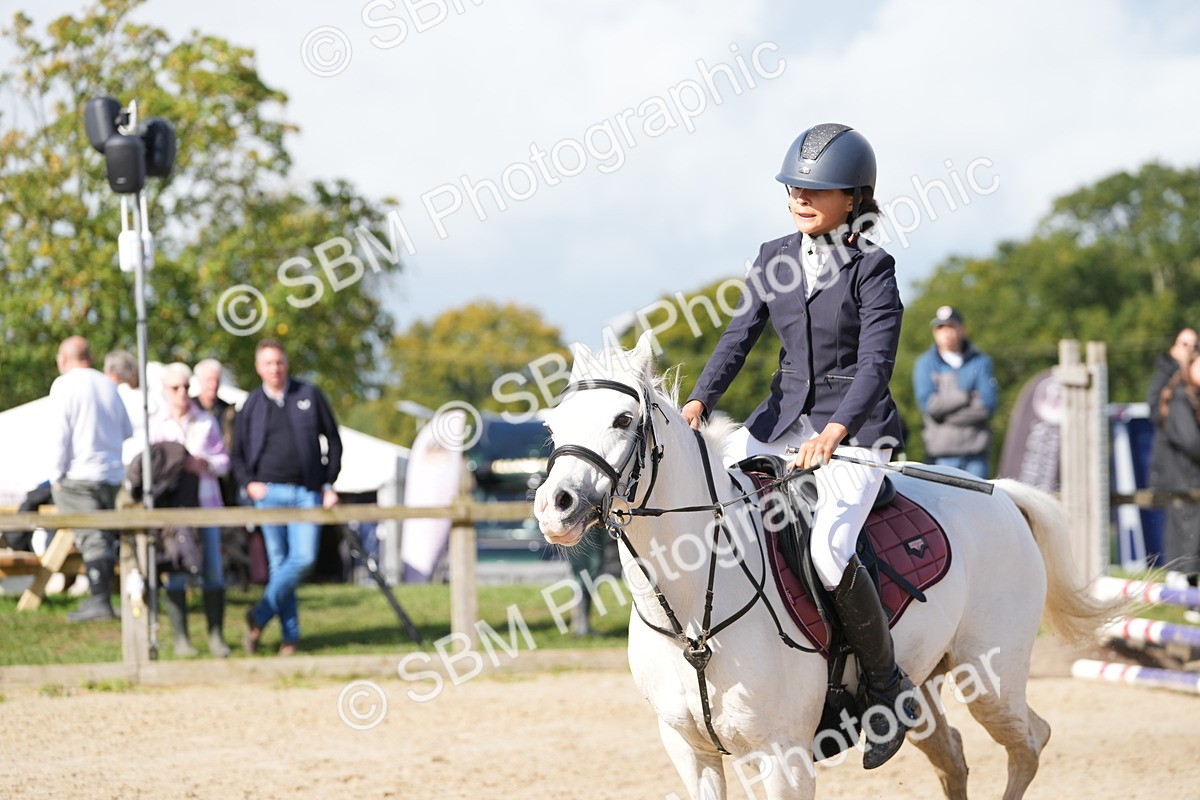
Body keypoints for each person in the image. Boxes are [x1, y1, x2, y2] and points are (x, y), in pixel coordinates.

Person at [680, 123, 914, 769]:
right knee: (711, 510)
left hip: (856, 429)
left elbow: (876, 364)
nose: (800, 198)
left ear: (854, 198)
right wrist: (699, 401)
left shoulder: (873, 268)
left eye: (816, 189)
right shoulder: (772, 256)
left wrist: (836, 433)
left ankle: (886, 686)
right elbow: (738, 338)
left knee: (829, 551)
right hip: (779, 421)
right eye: (793, 188)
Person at [231, 339, 342, 656]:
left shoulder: (309, 394)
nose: (275, 368)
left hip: (307, 492)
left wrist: (328, 482)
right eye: (268, 363)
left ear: (286, 363)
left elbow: (333, 440)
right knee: (280, 564)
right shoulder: (251, 404)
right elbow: (236, 453)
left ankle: (259, 615)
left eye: (279, 362)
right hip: (269, 494)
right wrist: (249, 484)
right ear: (258, 367)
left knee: (304, 559)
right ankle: (290, 637)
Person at [147, 362, 232, 657]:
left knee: (213, 571)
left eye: (185, 386)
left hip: (206, 505)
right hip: (174, 510)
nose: (182, 392)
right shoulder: (155, 425)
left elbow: (225, 462)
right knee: (177, 570)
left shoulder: (206, 422)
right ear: (165, 391)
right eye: (175, 387)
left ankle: (216, 638)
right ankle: (181, 640)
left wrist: (205, 464)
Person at [49, 336, 133, 622]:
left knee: (92, 539)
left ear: (64, 358)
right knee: (104, 538)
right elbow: (127, 430)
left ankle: (100, 601)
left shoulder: (64, 385)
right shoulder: (108, 384)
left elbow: (59, 436)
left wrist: (55, 476)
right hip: (112, 476)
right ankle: (101, 598)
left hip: (79, 476)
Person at [911, 306, 998, 479]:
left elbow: (986, 406)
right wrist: (966, 396)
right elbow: (930, 406)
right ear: (934, 332)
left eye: (951, 326)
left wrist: (946, 416)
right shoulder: (925, 363)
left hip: (976, 457)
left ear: (963, 328)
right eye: (940, 327)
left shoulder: (981, 362)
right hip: (940, 457)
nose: (946, 332)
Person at [1150, 350, 1200, 622]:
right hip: (1186, 482)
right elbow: (1192, 443)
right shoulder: (1180, 399)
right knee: (1191, 543)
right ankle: (1192, 604)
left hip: (1192, 480)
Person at [103, 349, 151, 467]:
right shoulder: (150, 397)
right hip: (150, 459)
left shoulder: (113, 397)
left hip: (124, 461)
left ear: (113, 375)